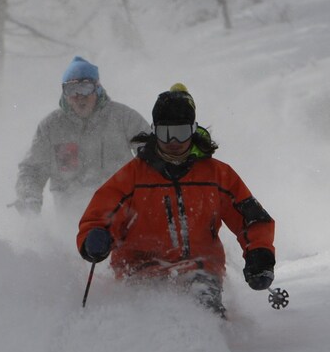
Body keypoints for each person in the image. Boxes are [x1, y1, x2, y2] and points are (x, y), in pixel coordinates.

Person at [75, 83, 276, 317]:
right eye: (165, 133)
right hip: (141, 271)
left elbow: (251, 218)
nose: (173, 141)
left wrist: (259, 254)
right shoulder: (133, 177)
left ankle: (209, 347)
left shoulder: (217, 175)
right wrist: (94, 238)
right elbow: (99, 215)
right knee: (150, 315)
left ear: (193, 130)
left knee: (204, 307)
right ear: (154, 131)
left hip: (200, 268)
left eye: (181, 132)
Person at [15, 56, 150, 216]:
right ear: (64, 93)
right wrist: (29, 197)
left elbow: (151, 154)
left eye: (85, 88)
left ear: (97, 89)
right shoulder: (51, 127)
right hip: (70, 221)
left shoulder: (123, 118)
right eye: (72, 90)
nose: (79, 96)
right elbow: (32, 169)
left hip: (122, 214)